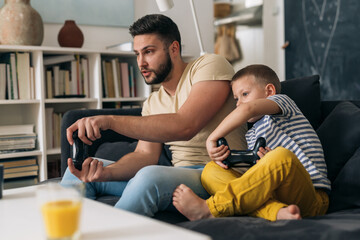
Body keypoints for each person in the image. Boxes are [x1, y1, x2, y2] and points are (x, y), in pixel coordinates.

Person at [61, 14, 247, 217]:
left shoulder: (209, 65)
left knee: (149, 176)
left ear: (174, 49)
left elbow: (185, 125)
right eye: (137, 54)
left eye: (148, 52)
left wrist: (110, 121)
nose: (141, 63)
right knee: (75, 173)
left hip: (219, 174)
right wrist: (106, 173)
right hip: (179, 176)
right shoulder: (153, 102)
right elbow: (144, 155)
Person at [172, 64, 331, 221]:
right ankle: (276, 212)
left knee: (281, 156)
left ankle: (212, 209)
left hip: (312, 196)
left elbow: (247, 110)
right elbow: (256, 180)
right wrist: (262, 163)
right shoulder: (252, 134)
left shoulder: (283, 103)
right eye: (236, 98)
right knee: (210, 171)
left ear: (269, 91)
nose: (239, 103)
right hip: (278, 197)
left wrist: (212, 138)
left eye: (245, 94)